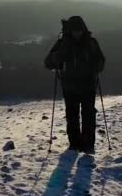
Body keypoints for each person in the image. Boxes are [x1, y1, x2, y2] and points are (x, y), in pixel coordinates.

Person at [44, 16, 105, 154]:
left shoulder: (90, 43)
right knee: (73, 115)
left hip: (85, 85)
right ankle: (75, 144)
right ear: (70, 31)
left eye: (79, 30)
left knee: (87, 115)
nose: (77, 33)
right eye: (75, 30)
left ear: (83, 29)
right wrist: (57, 58)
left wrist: (97, 66)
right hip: (72, 86)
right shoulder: (64, 44)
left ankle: (87, 145)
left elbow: (101, 60)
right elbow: (48, 62)